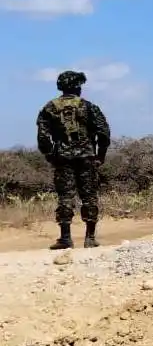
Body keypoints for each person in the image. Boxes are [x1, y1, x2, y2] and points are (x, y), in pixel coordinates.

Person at [36, 70, 112, 250]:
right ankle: (90, 238)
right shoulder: (88, 106)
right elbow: (104, 133)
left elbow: (43, 136)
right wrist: (100, 155)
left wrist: (49, 155)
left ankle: (65, 238)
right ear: (77, 87)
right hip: (87, 157)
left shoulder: (49, 108)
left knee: (65, 196)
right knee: (89, 196)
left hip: (62, 158)